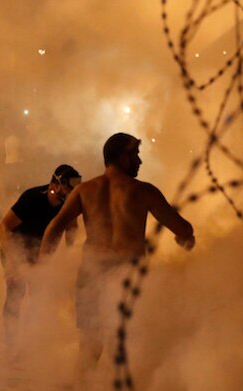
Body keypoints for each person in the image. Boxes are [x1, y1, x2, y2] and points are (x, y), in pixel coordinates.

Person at [40, 133, 195, 378]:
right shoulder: (144, 191)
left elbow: (54, 228)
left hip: (91, 275)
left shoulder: (85, 190)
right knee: (129, 347)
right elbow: (181, 227)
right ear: (123, 157)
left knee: (90, 350)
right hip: (127, 277)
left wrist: (43, 269)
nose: (140, 161)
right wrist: (187, 237)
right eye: (136, 155)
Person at [0, 164, 80, 336]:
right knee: (15, 293)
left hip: (41, 254)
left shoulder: (68, 204)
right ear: (55, 185)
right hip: (16, 249)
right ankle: (10, 342)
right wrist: (13, 261)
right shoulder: (32, 198)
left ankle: (33, 339)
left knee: (39, 295)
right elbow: (4, 227)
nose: (71, 193)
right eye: (68, 188)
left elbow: (72, 228)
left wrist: (70, 256)